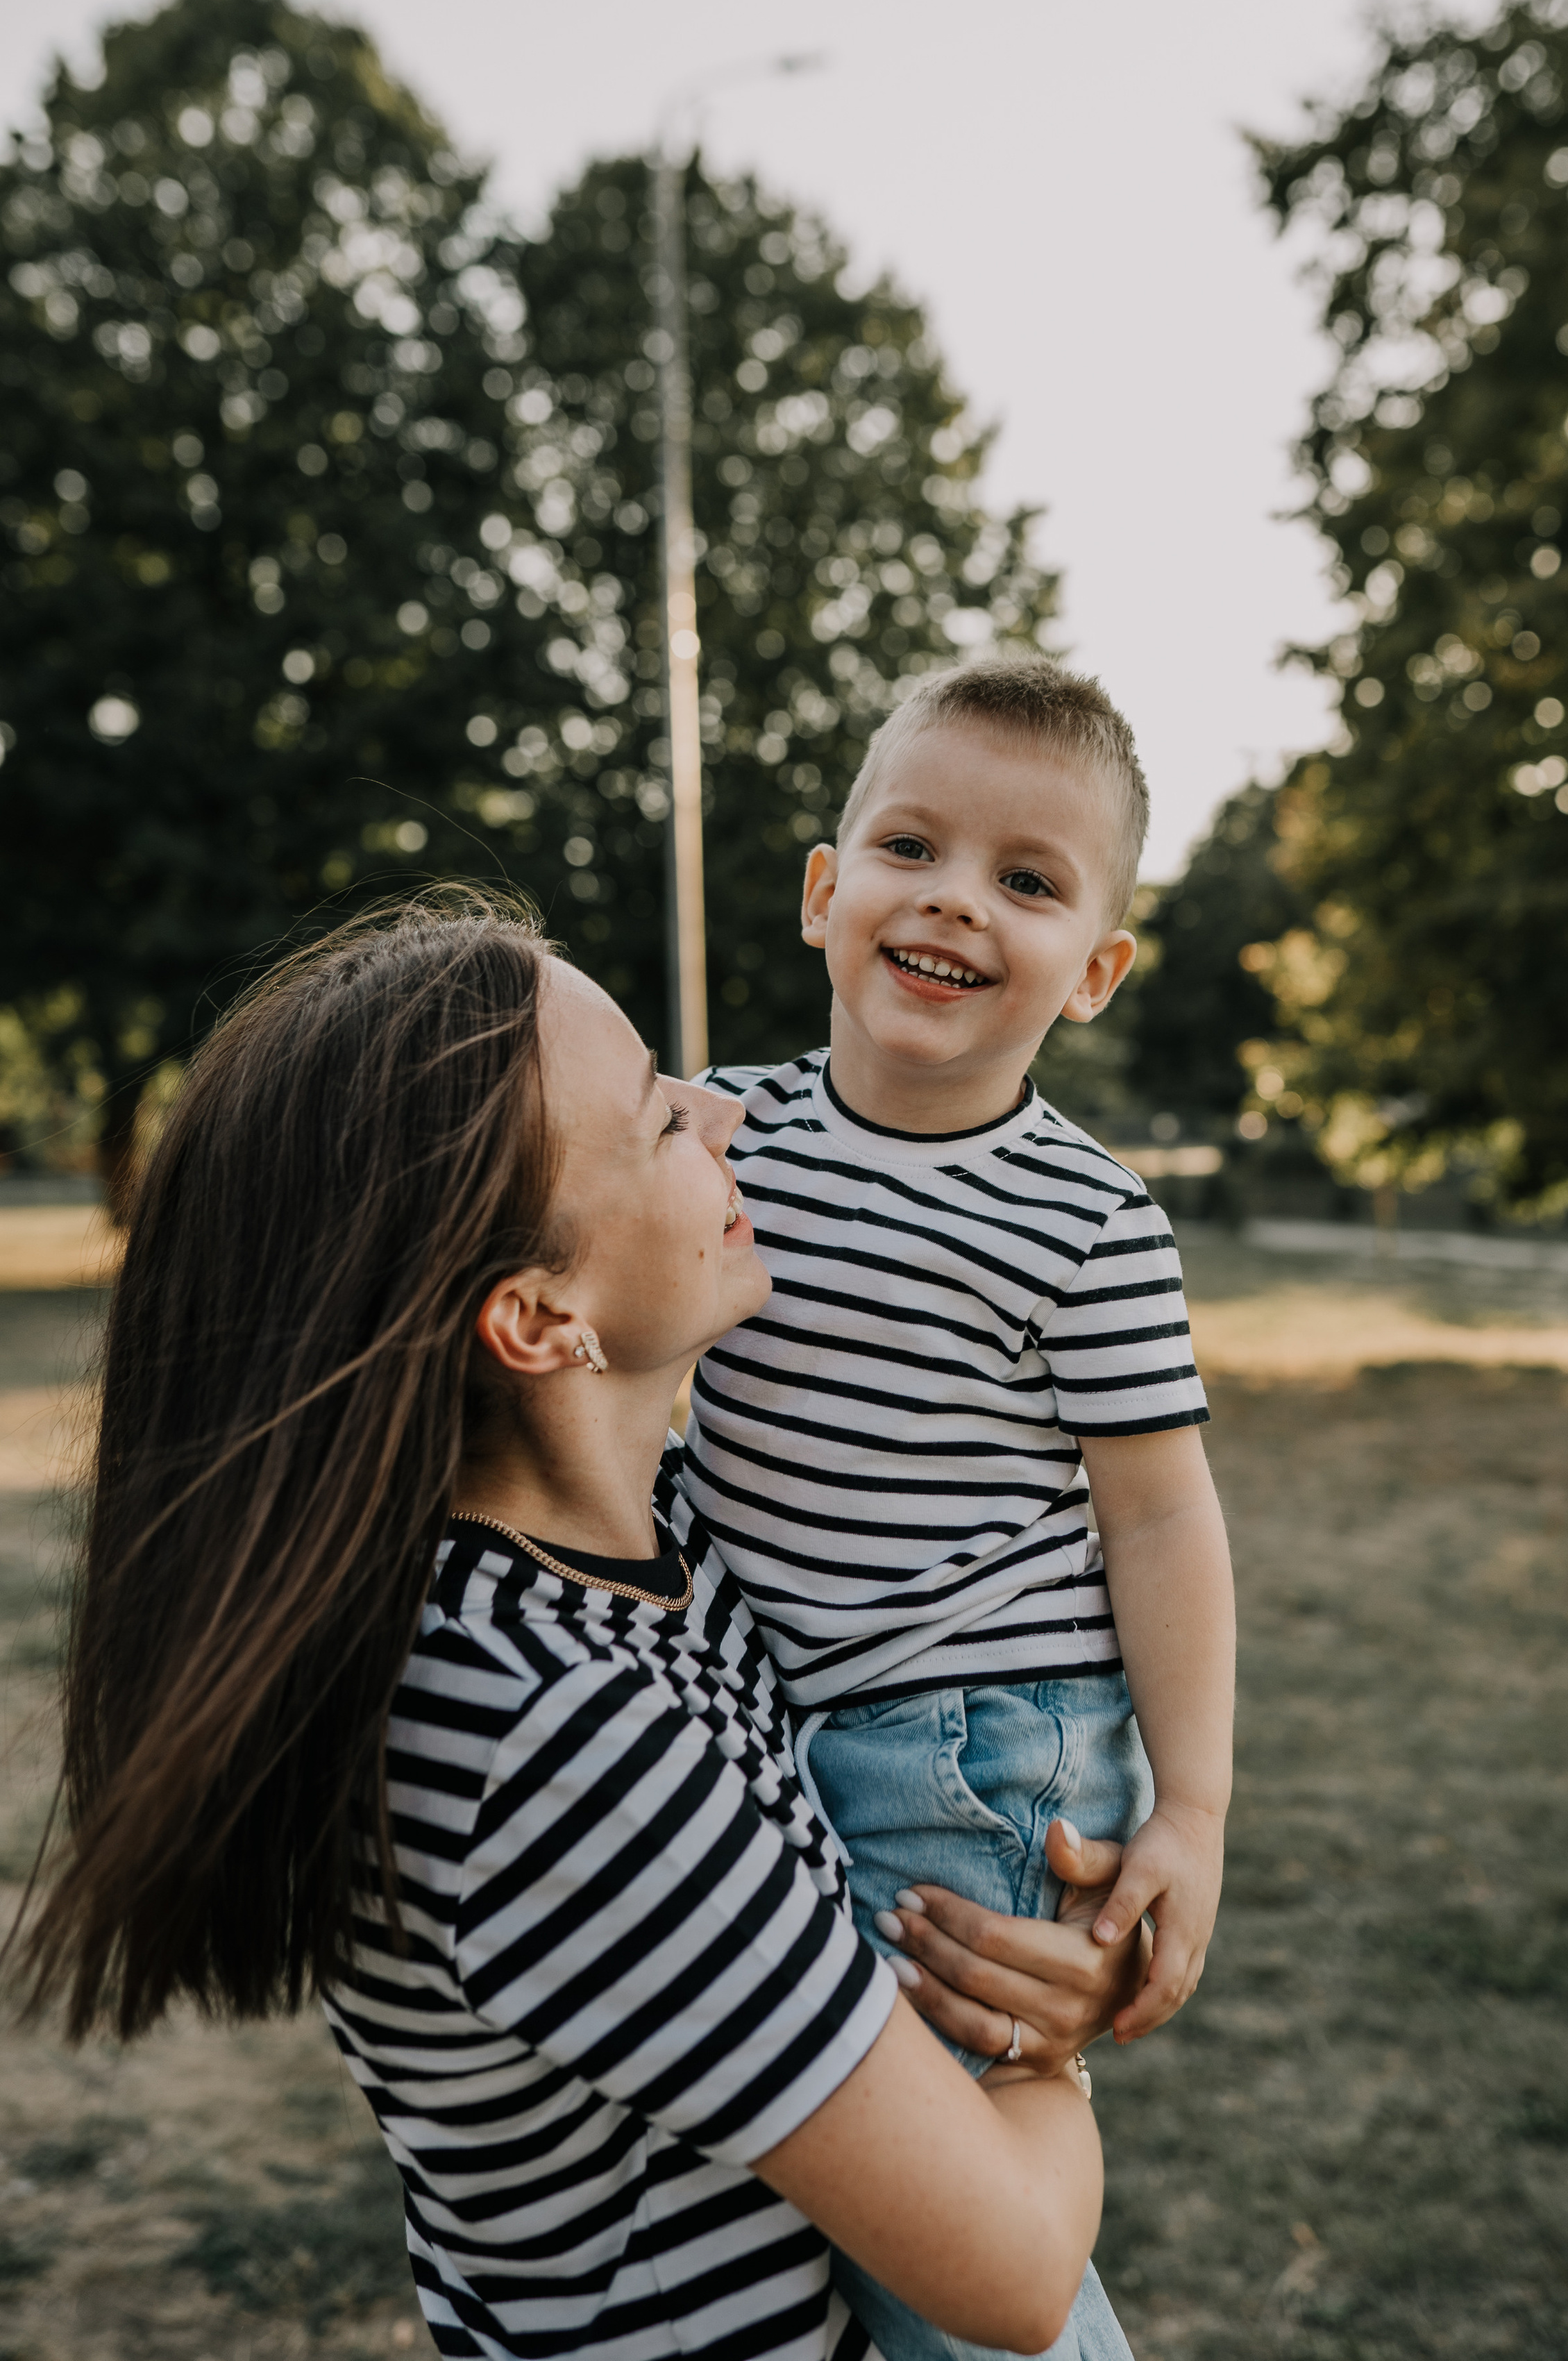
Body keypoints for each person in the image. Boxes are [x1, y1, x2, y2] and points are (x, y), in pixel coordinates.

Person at [12, 897, 1144, 2361]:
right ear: (539, 1321)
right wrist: (1042, 2061)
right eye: (660, 1125)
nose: (726, 1115)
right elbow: (1012, 2272)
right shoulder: (540, 1732)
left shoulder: (663, 1535)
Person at [683, 662, 1238, 2353]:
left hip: (970, 1745)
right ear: (821, 891)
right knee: (824, 2181)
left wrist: (1195, 1813)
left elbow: (1159, 1522)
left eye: (1026, 879)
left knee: (945, 2235)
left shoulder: (1085, 1222)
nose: (950, 900)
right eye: (910, 845)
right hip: (771, 1717)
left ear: (1094, 972)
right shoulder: (714, 1136)